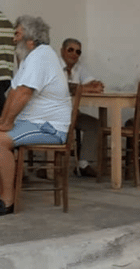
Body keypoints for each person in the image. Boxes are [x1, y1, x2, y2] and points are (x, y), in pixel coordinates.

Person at [0, 16, 71, 216]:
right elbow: (14, 92)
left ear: (30, 39)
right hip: (34, 122)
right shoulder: (30, 57)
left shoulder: (41, 56)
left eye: (17, 34)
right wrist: (2, 121)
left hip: (50, 126)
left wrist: (6, 124)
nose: (14, 39)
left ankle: (7, 200)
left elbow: (24, 94)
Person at [59, 38, 103, 178]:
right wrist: (83, 88)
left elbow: (93, 83)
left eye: (78, 51)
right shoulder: (54, 66)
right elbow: (64, 87)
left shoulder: (79, 68)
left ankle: (83, 164)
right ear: (62, 51)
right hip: (55, 115)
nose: (74, 54)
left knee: (95, 124)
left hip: (73, 113)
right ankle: (49, 166)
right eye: (70, 50)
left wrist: (96, 85)